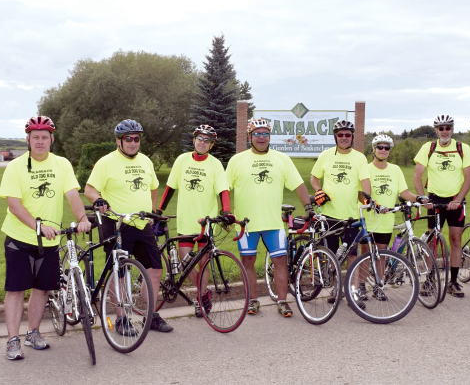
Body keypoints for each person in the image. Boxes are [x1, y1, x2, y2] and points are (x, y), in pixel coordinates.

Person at [0, 116, 92, 360]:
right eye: (35, 137)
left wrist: (82, 218)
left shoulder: (62, 164)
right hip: (20, 238)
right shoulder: (16, 166)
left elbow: (72, 195)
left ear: (52, 140)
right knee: (16, 290)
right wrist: (37, 226)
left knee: (41, 290)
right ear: (28, 140)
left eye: (45, 137)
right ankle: (12, 340)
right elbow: (14, 205)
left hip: (50, 240)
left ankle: (33, 332)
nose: (40, 141)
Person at [84, 119, 173, 333]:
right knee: (119, 272)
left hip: (142, 223)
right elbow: (89, 189)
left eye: (136, 139)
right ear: (119, 141)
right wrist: (98, 200)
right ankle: (122, 318)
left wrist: (153, 213)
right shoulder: (106, 162)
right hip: (116, 224)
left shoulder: (145, 161)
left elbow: (153, 187)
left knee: (155, 270)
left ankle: (149, 315)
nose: (133, 143)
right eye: (128, 139)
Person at [226, 118, 313, 318]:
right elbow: (225, 189)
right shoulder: (237, 160)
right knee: (247, 261)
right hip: (246, 224)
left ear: (270, 136)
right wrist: (226, 212)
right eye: (257, 133)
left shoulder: (281, 159)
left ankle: (282, 302)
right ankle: (253, 300)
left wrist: (308, 207)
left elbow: (299, 184)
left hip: (273, 223)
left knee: (281, 261)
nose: (261, 137)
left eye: (265, 133)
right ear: (250, 137)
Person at [157, 125, 233, 318]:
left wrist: (227, 212)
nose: (202, 142)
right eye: (199, 138)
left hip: (206, 223)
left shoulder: (215, 164)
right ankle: (204, 294)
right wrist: (159, 210)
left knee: (204, 263)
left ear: (211, 145)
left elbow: (223, 190)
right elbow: (170, 188)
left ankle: (200, 300)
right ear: (194, 140)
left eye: (207, 140)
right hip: (186, 222)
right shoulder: (181, 160)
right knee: (185, 264)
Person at [413, 114, 470, 298]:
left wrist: (459, 199)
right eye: (441, 128)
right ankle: (430, 280)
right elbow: (417, 175)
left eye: (448, 127)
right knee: (433, 240)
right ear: (436, 131)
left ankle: (453, 281)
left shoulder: (462, 148)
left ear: (452, 129)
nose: (445, 131)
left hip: (455, 200)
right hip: (434, 199)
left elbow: (469, 177)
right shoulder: (429, 148)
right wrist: (423, 198)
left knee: (455, 240)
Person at [309, 120, 371, 301]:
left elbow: (365, 181)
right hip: (329, 214)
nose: (344, 138)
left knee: (352, 255)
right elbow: (314, 178)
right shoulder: (326, 155)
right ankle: (337, 290)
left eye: (348, 135)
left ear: (352, 137)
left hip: (351, 215)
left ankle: (352, 292)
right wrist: (318, 191)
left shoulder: (359, 157)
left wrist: (367, 198)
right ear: (335, 136)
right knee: (333, 255)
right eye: (341, 135)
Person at [367, 134, 426, 298]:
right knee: (365, 253)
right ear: (374, 149)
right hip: (369, 216)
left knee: (382, 254)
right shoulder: (366, 168)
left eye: (386, 148)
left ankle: (378, 287)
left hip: (386, 218)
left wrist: (419, 198)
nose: (383, 150)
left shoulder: (395, 169)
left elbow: (404, 192)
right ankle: (359, 287)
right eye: (380, 147)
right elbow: (362, 193)